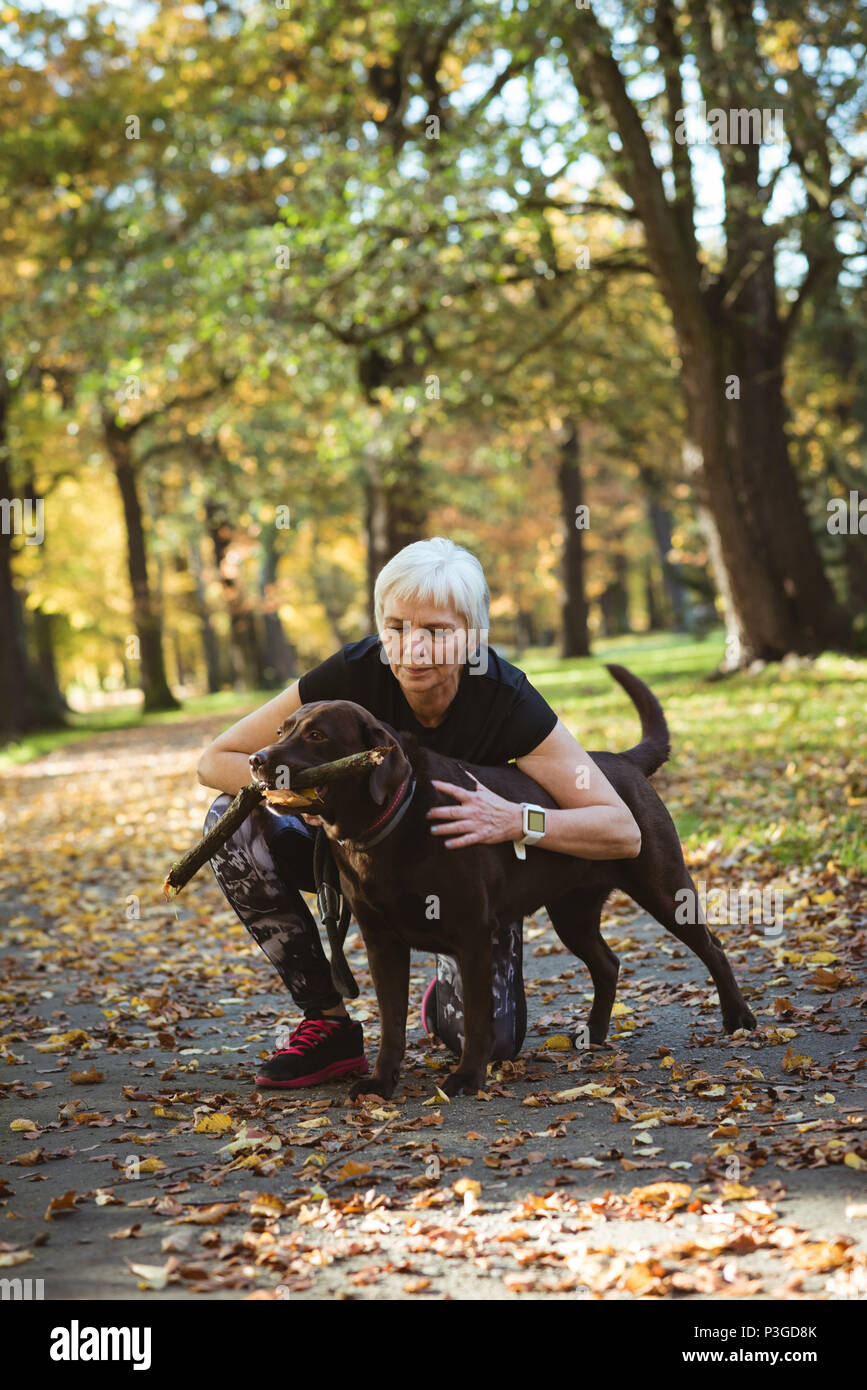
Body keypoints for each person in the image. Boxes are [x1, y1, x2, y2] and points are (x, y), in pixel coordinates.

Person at [196, 537, 641, 1088]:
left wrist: (515, 820)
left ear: (474, 638)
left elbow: (621, 831)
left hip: (461, 884)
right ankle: (327, 1022)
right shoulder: (351, 677)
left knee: (494, 1044)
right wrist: (304, 792)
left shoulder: (505, 698)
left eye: (436, 631)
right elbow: (215, 760)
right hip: (346, 861)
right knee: (229, 822)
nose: (414, 649)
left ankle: (441, 987)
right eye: (397, 627)